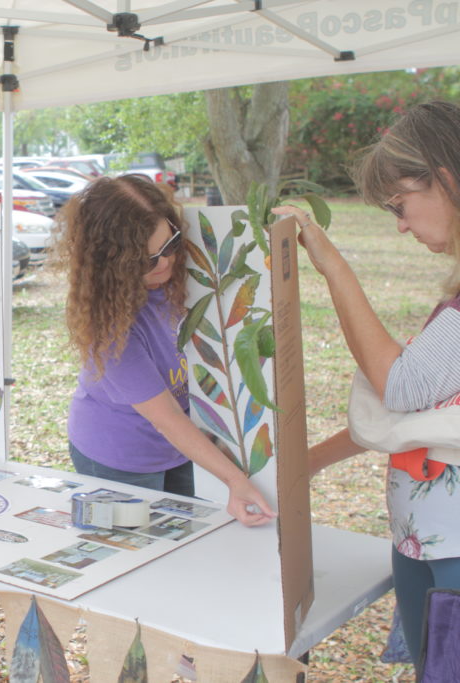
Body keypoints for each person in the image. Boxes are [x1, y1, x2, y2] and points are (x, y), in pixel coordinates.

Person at [273, 101, 460, 660]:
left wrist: (333, 265)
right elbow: (411, 415)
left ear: (446, 180)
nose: (401, 226)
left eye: (402, 205)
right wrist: (300, 468)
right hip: (425, 539)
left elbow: (397, 387)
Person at [58, 174, 274, 527]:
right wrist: (235, 480)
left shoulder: (182, 278)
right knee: (131, 550)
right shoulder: (111, 331)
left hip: (179, 446)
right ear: (113, 265)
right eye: (145, 262)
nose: (165, 263)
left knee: (185, 541)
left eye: (170, 243)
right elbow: (168, 419)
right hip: (118, 455)